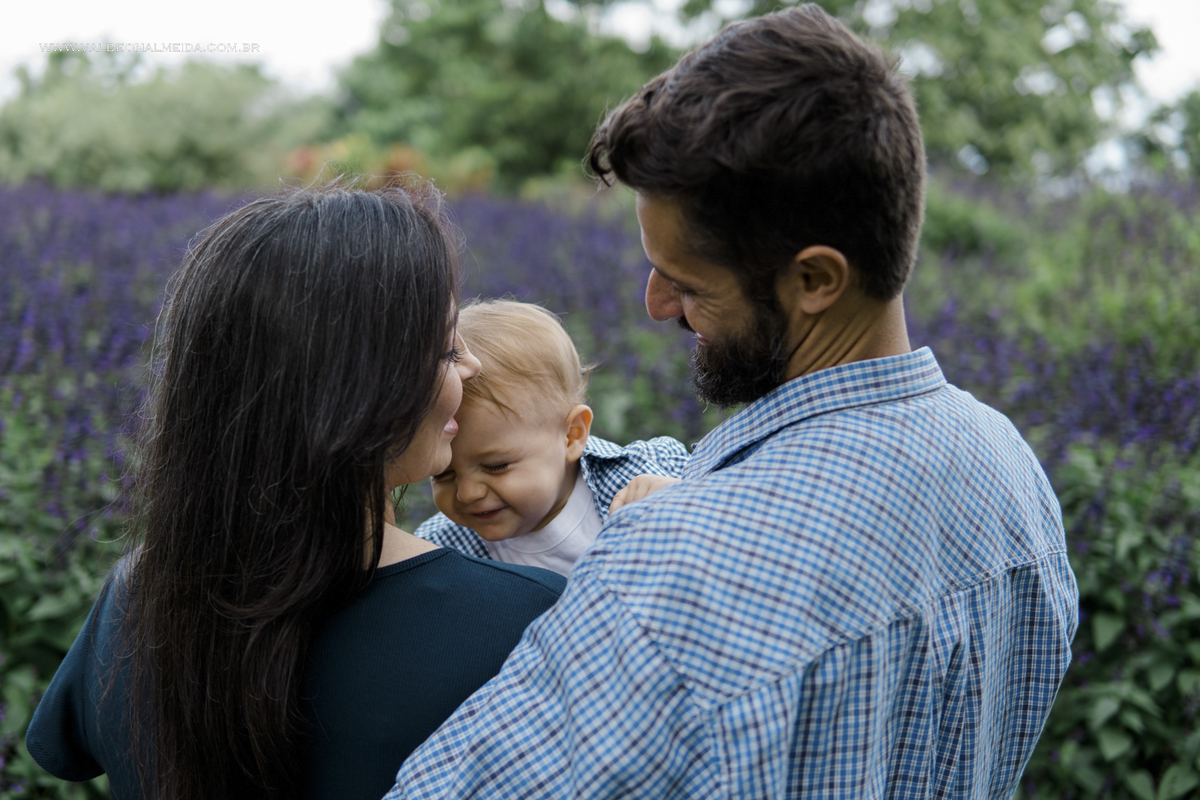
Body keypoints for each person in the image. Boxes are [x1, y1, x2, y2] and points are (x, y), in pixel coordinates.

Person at [386, 5, 1079, 798]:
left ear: (816, 279)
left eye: (686, 282)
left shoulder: (682, 562)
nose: (655, 305)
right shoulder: (1009, 469)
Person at [24, 184, 567, 800]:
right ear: (358, 393)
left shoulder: (137, 595)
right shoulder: (525, 620)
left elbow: (66, 748)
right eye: (446, 348)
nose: (472, 365)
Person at [415, 299, 688, 577]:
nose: (467, 493)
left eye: (496, 466)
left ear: (572, 435)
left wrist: (685, 501)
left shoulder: (644, 475)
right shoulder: (438, 548)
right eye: (442, 474)